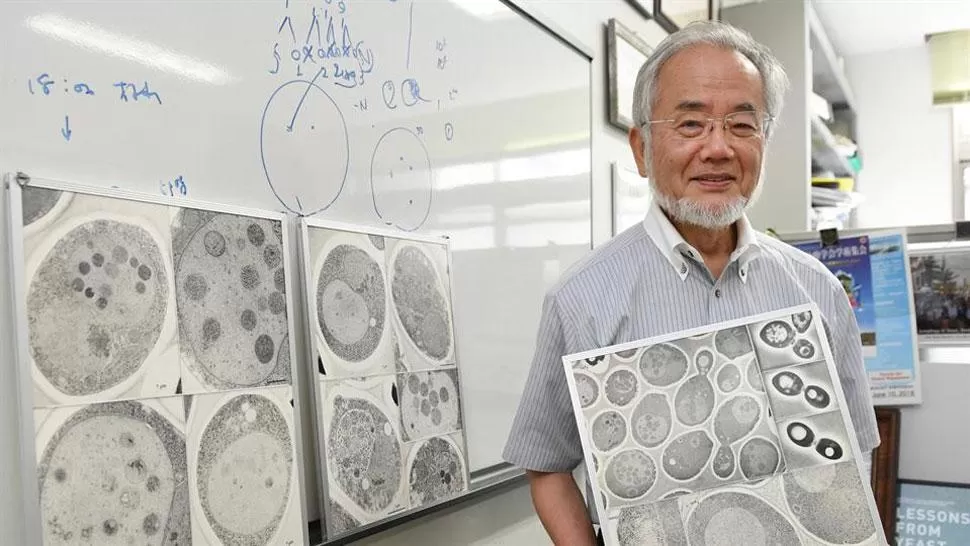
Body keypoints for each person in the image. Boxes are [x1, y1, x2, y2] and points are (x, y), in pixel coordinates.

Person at [502, 20, 880, 545]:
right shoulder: (582, 298)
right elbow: (546, 463)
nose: (719, 148)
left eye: (742, 126)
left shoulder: (816, 290)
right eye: (690, 124)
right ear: (641, 149)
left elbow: (855, 451)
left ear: (764, 143)